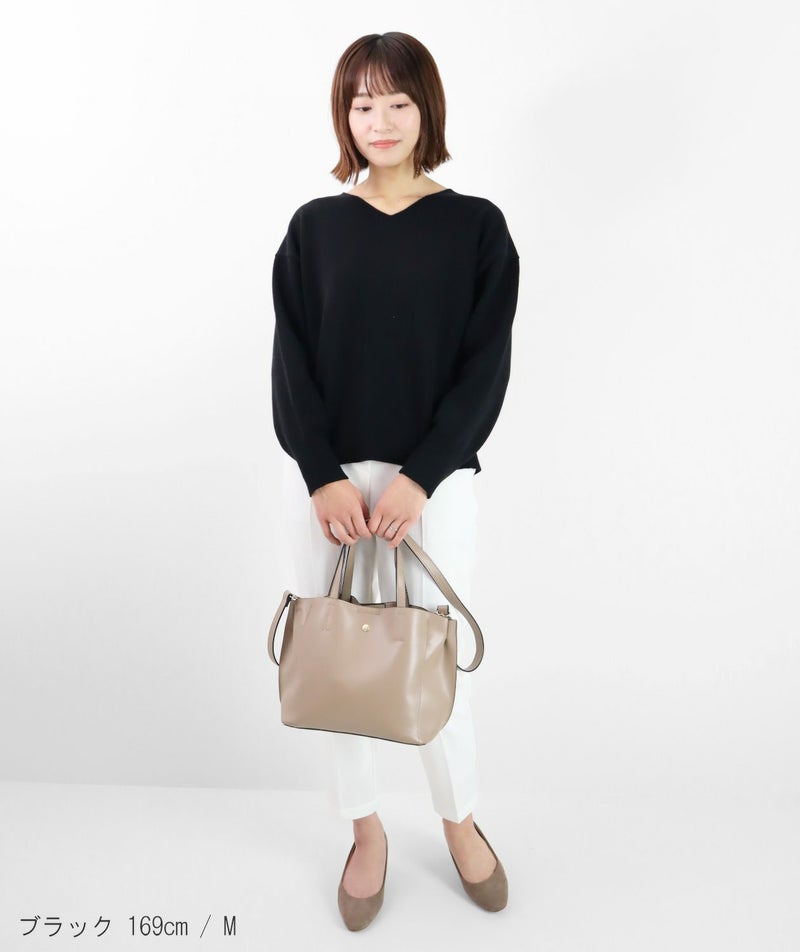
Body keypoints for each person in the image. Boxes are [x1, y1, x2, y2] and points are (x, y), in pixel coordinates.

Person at [271, 31, 520, 930]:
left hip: (434, 483)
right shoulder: (314, 229)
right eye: (362, 103)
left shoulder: (477, 228)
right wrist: (320, 475)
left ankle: (458, 819)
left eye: (398, 101)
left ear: (427, 110)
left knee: (437, 658)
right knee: (338, 661)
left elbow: (484, 368)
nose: (380, 120)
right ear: (344, 116)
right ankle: (366, 831)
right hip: (331, 487)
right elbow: (292, 363)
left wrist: (422, 476)